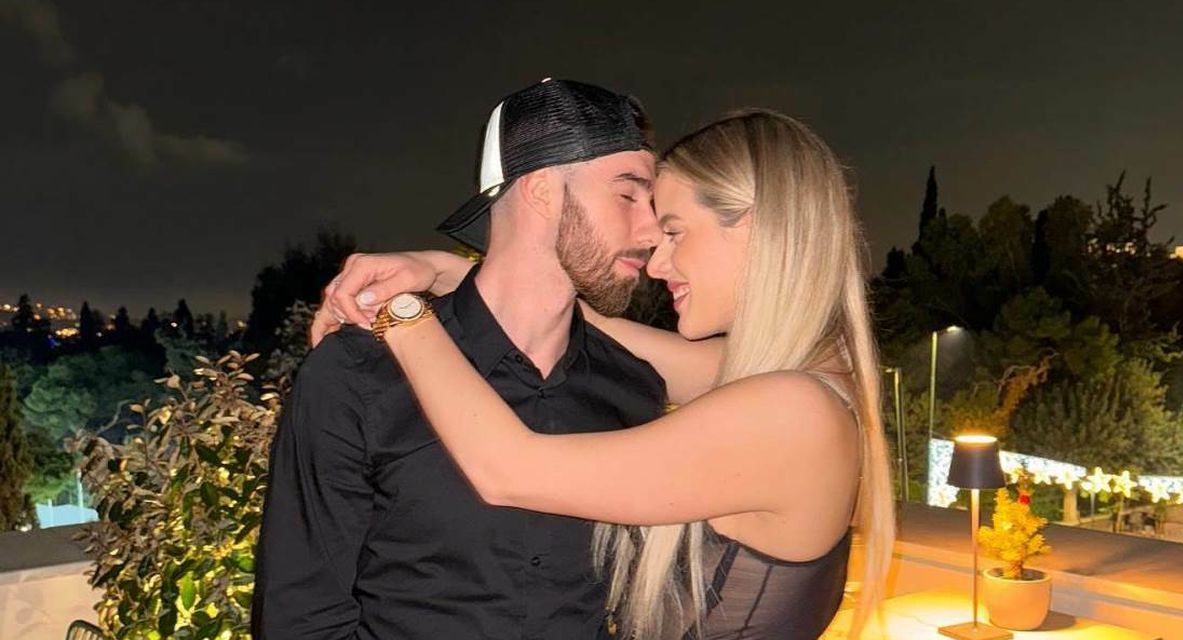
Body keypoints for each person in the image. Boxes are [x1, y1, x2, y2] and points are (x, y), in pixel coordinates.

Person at [315, 110, 895, 639]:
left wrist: (398, 315)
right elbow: (595, 326)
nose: (656, 263)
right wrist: (444, 270)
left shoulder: (791, 414)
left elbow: (506, 468)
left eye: (674, 231)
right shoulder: (820, 379)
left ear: (753, 225)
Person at [253, 79, 668, 639]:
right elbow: (300, 620)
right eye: (628, 196)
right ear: (541, 190)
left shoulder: (633, 390)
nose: (652, 231)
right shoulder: (357, 374)